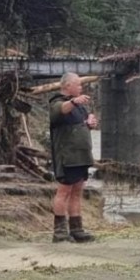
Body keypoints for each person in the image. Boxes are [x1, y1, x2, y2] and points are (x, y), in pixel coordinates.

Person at [48, 72, 98, 243]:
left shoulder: (80, 106)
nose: (80, 88)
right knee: (64, 192)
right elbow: (61, 110)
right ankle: (60, 232)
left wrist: (90, 122)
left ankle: (77, 229)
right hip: (67, 156)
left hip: (81, 155)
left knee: (77, 192)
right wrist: (73, 101)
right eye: (78, 85)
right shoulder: (57, 102)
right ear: (67, 85)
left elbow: (82, 123)